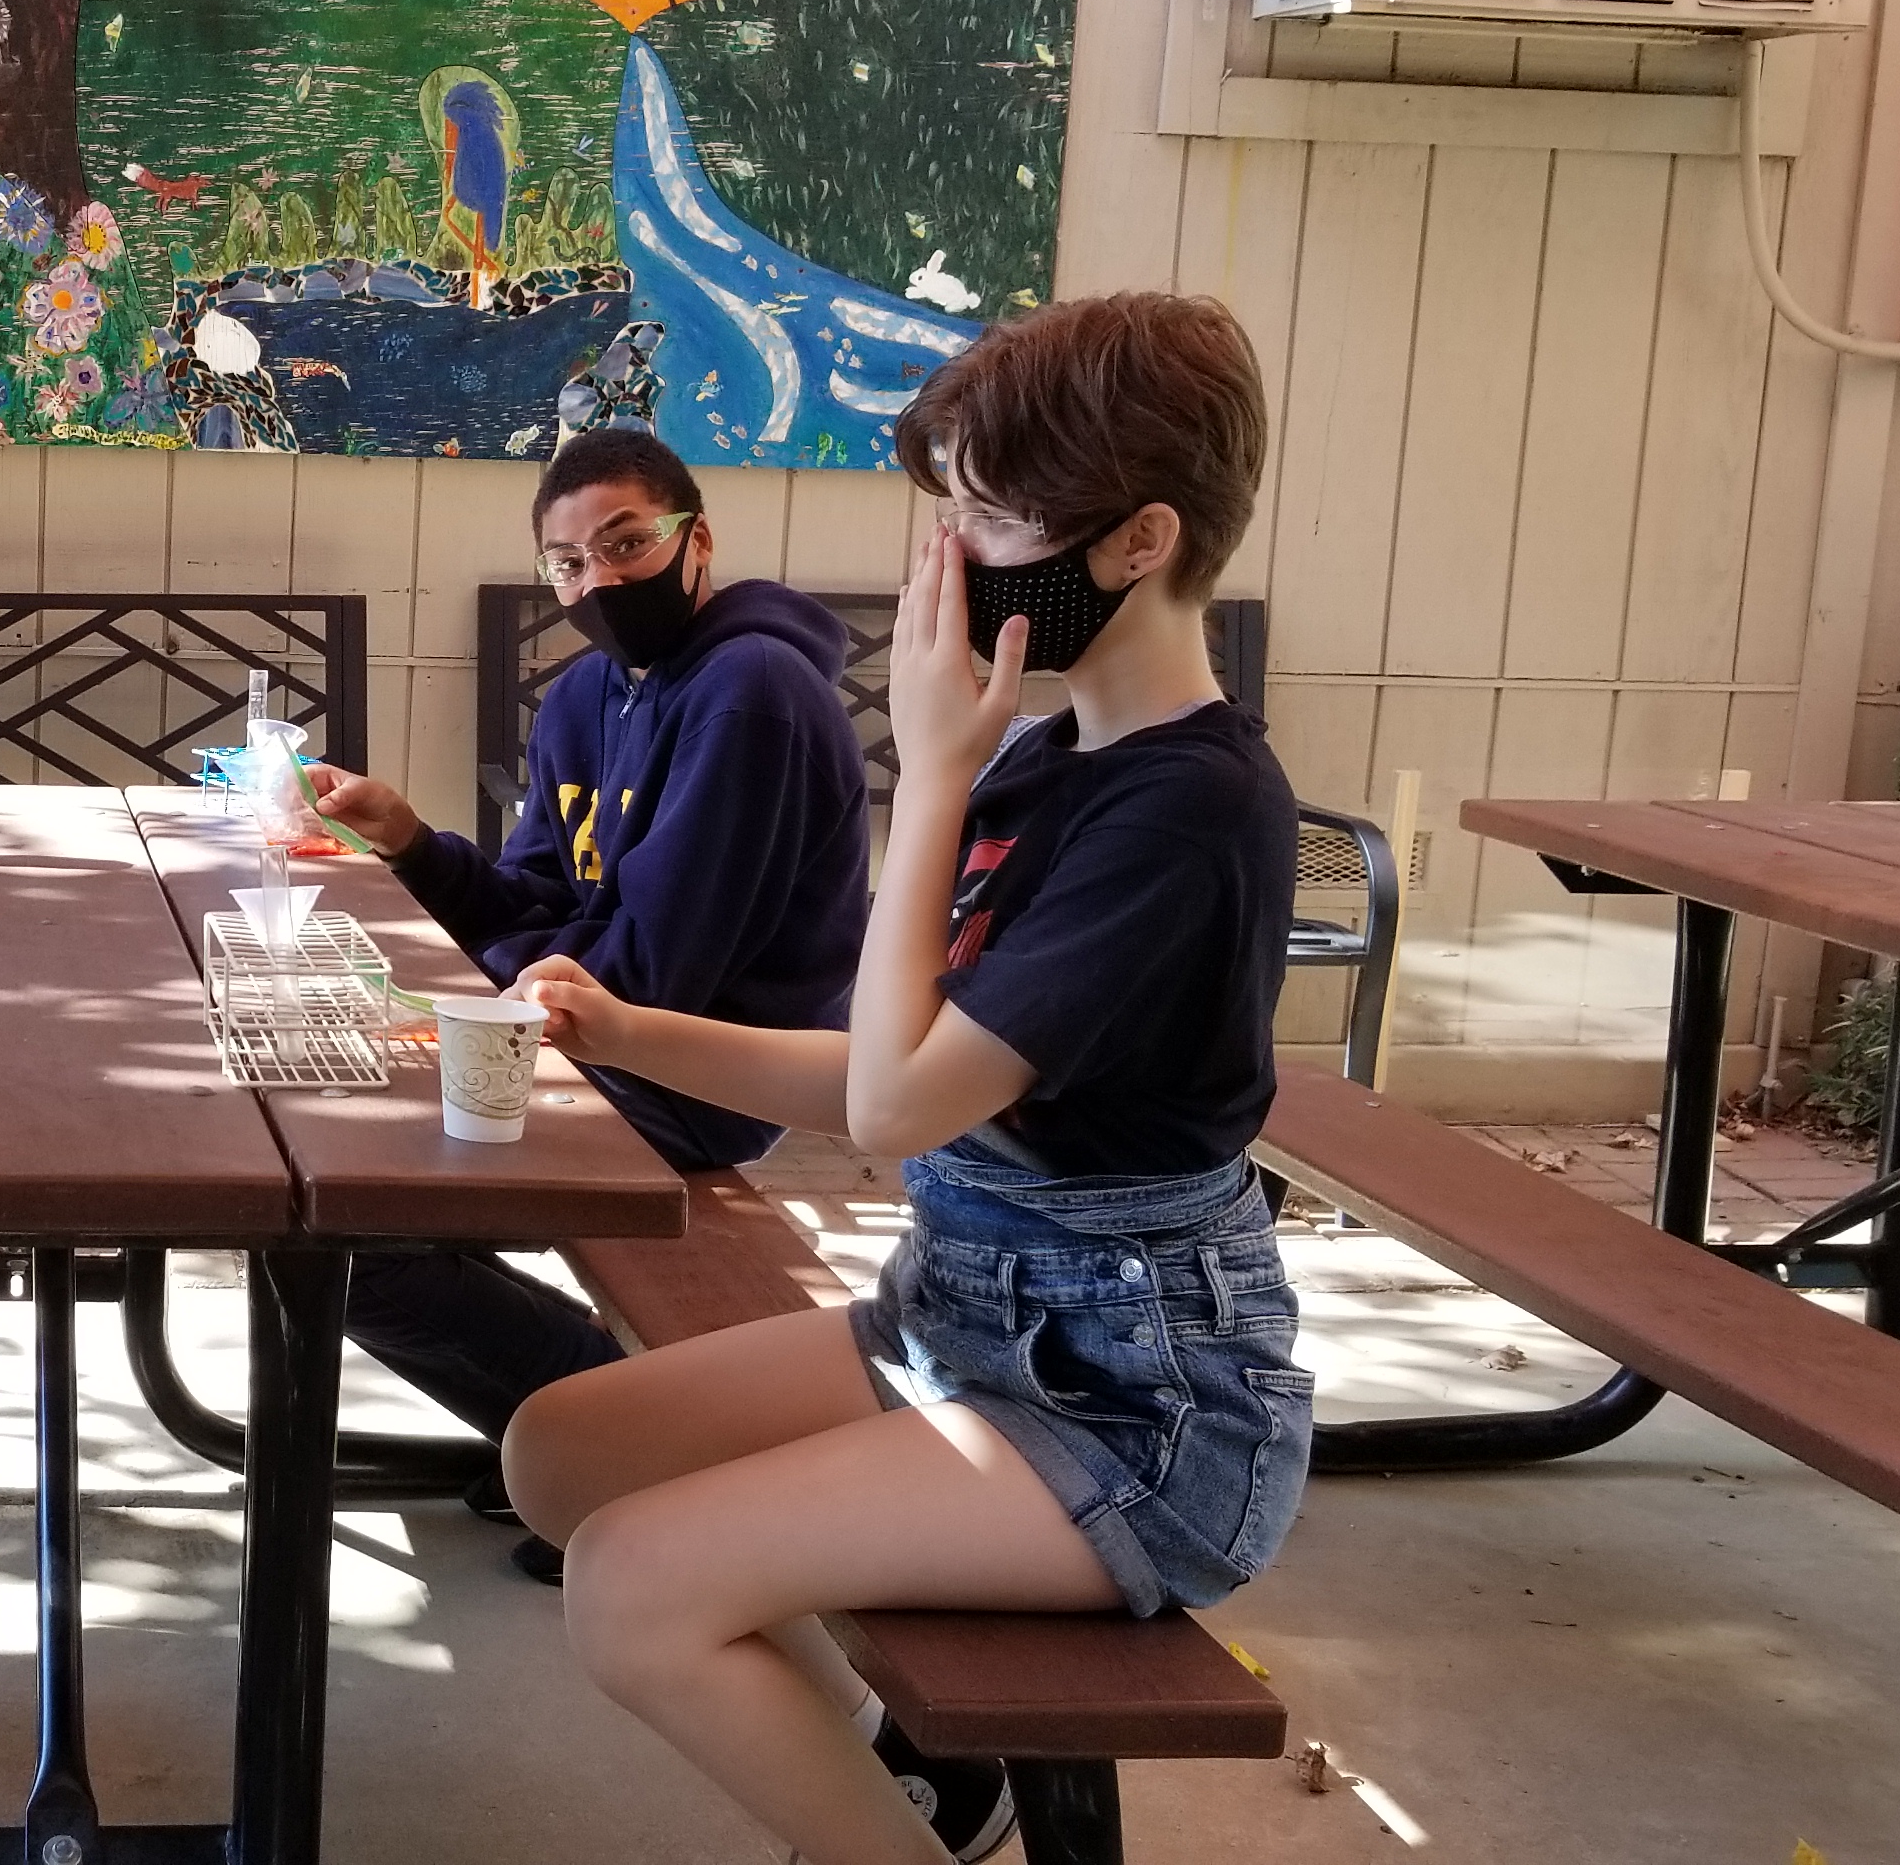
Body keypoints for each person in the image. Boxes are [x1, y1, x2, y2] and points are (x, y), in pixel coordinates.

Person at [497, 293, 1309, 1865]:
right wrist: (625, 1030)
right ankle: (906, 1782)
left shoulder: (1190, 812)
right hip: (960, 1327)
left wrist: (926, 770)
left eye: (988, 520)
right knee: (558, 1454)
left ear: (1137, 542)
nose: (947, 559)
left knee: (632, 1587)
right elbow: (894, 1063)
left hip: (1134, 1416)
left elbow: (893, 1112)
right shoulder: (1053, 759)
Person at [299, 426, 870, 1566]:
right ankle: (574, 1434)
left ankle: (634, 1448)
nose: (598, 580)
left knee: (338, 1225)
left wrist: (492, 980)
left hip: (693, 1072)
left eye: (626, 543)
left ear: (696, 540)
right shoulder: (589, 695)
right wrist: (411, 841)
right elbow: (536, 899)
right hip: (579, 1036)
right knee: (324, 1161)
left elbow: (655, 976)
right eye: (568, 562)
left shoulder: (752, 695)